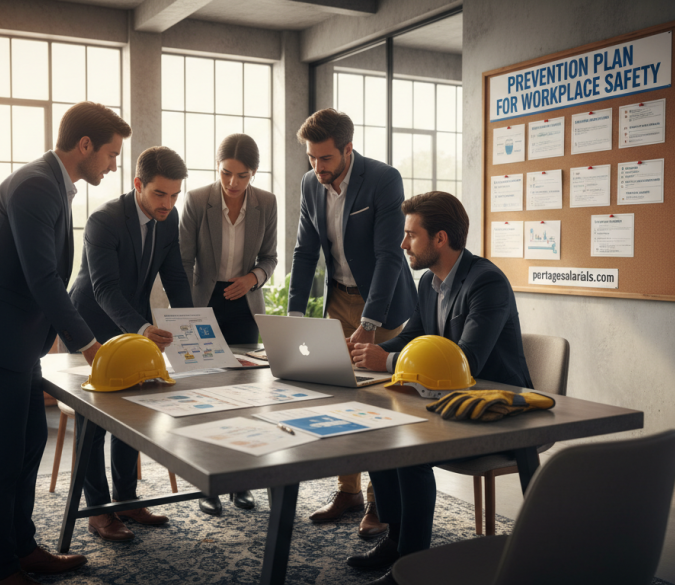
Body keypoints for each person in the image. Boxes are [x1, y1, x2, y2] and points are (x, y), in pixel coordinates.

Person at [0, 101, 130, 585]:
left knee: (27, 446)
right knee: (4, 454)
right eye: (111, 154)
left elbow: (40, 281)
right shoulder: (36, 187)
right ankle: (1, 571)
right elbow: (43, 278)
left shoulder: (51, 185)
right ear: (84, 146)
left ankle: (23, 549)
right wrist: (89, 345)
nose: (114, 164)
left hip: (17, 340)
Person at [347, 191, 534, 585]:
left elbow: (468, 362)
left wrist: (391, 363)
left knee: (410, 449)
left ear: (440, 239)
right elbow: (413, 336)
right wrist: (372, 351)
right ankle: (397, 543)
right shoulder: (430, 283)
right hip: (450, 403)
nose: (402, 244)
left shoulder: (486, 283)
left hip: (496, 409)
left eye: (410, 235)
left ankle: (411, 568)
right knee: (378, 431)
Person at [289, 108, 418, 537]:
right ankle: (348, 491)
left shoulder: (383, 179)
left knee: (381, 405)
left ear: (347, 149)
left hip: (381, 304)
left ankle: (381, 504)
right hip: (337, 301)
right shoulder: (311, 184)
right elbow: (305, 252)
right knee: (336, 400)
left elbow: (388, 255)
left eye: (324, 158)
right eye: (311, 157)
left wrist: (370, 320)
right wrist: (293, 314)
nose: (316, 167)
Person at [67, 146, 193, 541]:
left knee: (129, 415)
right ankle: (99, 512)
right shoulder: (103, 220)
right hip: (90, 324)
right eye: (160, 194)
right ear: (138, 184)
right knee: (94, 424)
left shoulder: (168, 221)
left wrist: (195, 327)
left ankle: (128, 500)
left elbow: (175, 279)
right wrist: (141, 328)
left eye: (175, 196)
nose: (168, 204)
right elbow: (104, 288)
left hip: (133, 324)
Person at [179, 133, 277, 515]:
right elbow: (184, 260)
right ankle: (209, 486)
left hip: (244, 302)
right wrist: (185, 314)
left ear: (253, 173)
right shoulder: (196, 199)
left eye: (242, 176)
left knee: (245, 397)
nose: (232, 183)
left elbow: (269, 257)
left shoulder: (266, 203)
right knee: (206, 397)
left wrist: (252, 279)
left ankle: (242, 483)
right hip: (204, 301)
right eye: (226, 173)